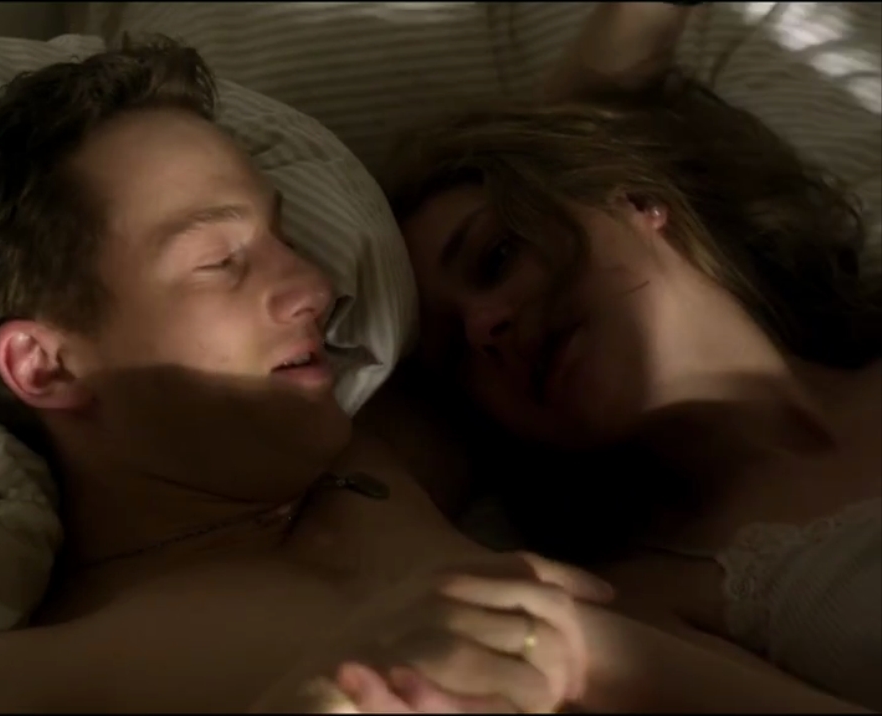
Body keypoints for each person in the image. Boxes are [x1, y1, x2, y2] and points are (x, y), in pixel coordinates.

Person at [0, 21, 870, 716]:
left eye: (285, 235)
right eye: (223, 258)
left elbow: (549, 228)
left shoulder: (384, 456)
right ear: (45, 366)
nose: (315, 285)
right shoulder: (15, 682)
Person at [377, 4, 882, 711]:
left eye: (496, 256)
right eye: (456, 355)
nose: (485, 327)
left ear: (639, 198)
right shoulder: (640, 605)